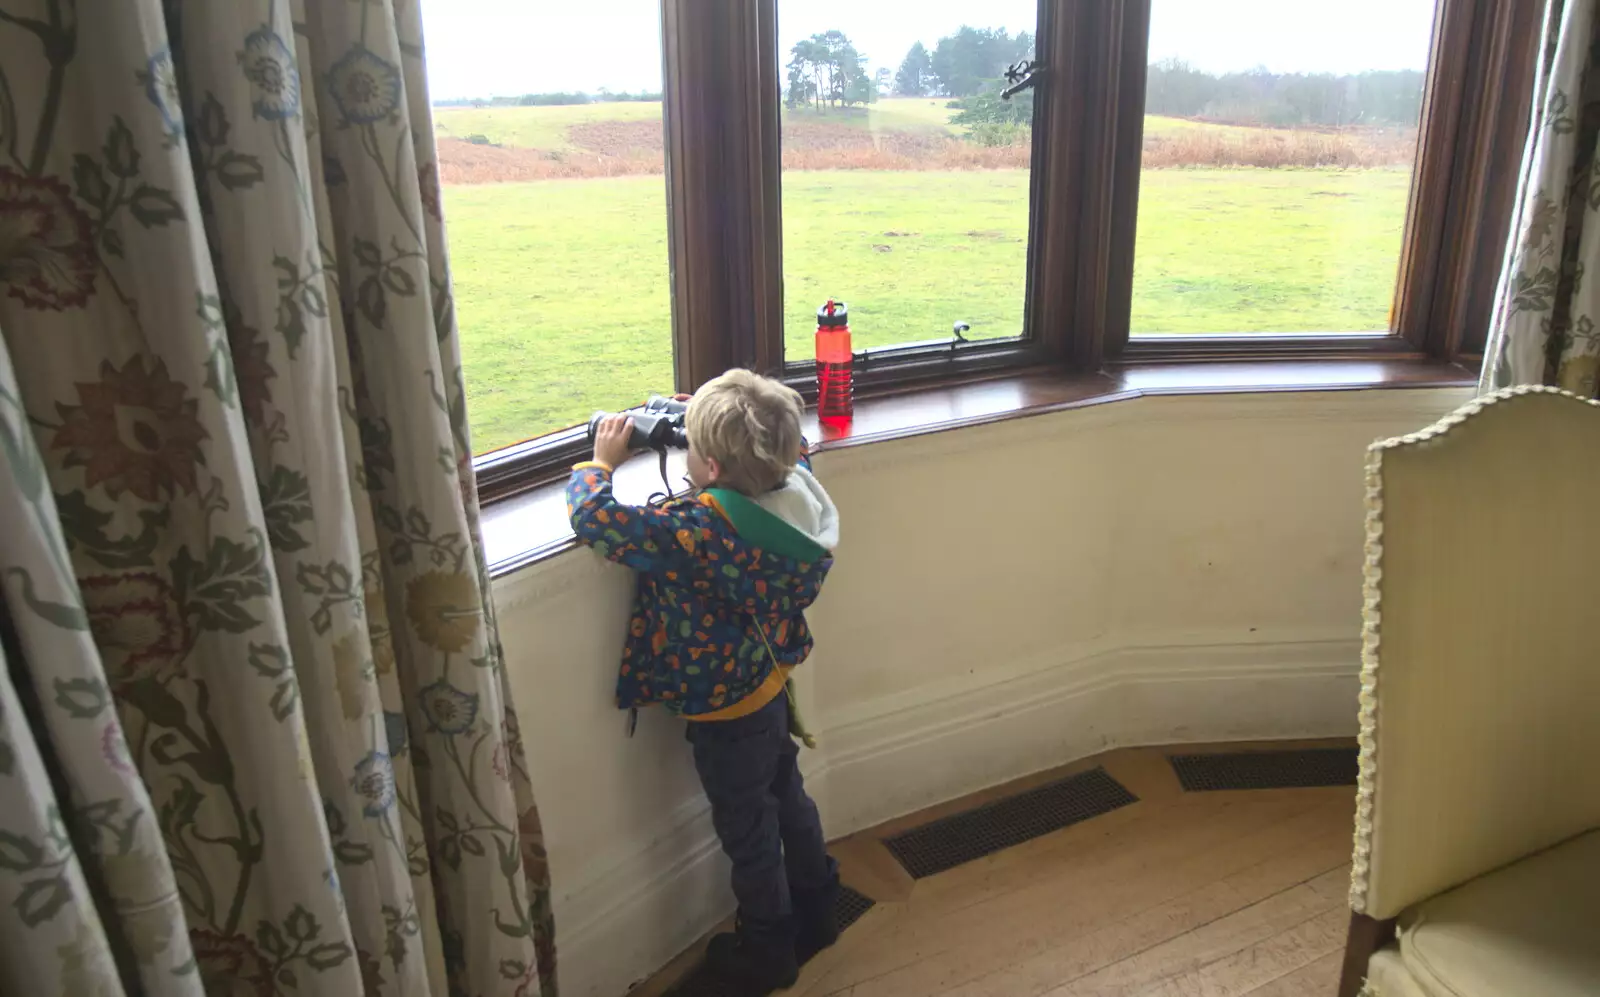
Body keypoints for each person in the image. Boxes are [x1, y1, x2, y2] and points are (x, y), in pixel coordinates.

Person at [567, 370, 842, 995]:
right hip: (769, 684)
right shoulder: (797, 494)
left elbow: (598, 522)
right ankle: (819, 908)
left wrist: (601, 461)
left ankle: (769, 949)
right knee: (787, 796)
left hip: (723, 710)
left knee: (748, 832)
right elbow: (788, 447)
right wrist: (721, 419)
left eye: (693, 447)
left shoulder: (696, 532)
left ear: (712, 467)